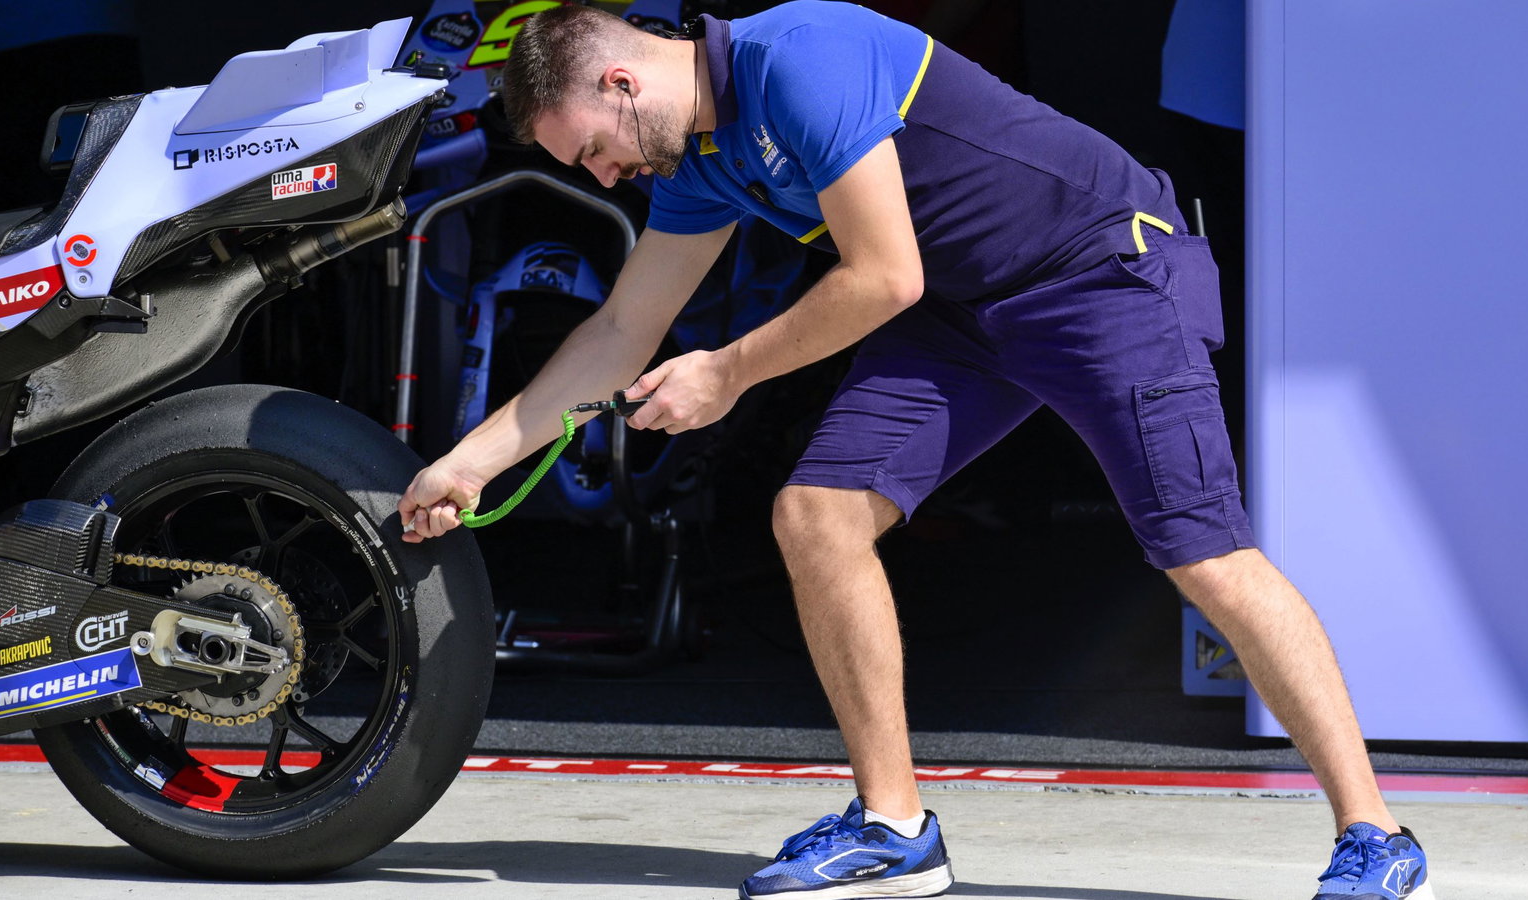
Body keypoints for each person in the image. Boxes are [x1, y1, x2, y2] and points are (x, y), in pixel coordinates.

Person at [397, 3, 1432, 898]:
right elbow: (622, 331)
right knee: (817, 513)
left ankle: (1376, 835)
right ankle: (894, 831)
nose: (605, 174)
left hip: (1098, 275)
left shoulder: (796, 56)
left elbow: (882, 275)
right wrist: (470, 461)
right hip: (963, 310)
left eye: (591, 149)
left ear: (621, 81)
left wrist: (724, 374)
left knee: (1201, 552)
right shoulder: (698, 162)